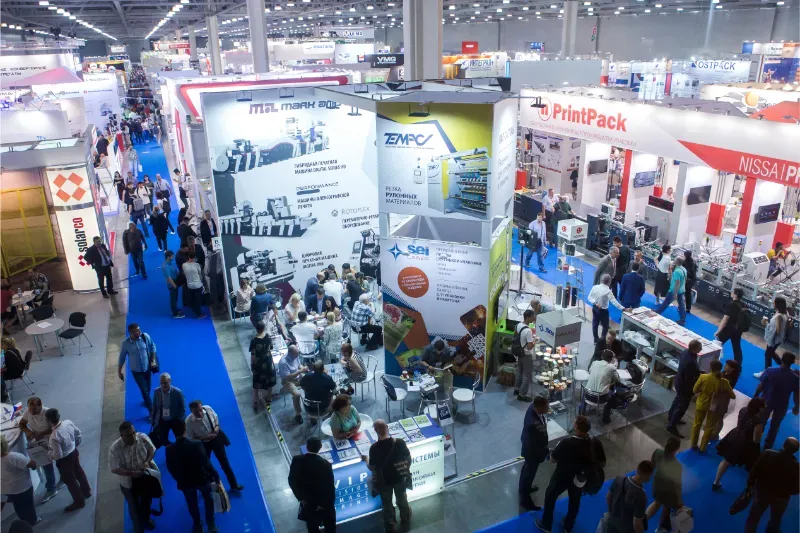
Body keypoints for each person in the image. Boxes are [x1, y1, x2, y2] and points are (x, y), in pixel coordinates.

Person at [536, 415, 606, 533]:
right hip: (580, 479)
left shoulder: (566, 443)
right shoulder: (595, 443)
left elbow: (552, 459)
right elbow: (602, 463)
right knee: (575, 502)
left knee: (550, 496)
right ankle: (568, 525)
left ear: (576, 428)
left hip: (562, 477)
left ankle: (546, 524)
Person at [109, 421, 158, 533]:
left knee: (146, 501)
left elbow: (151, 449)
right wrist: (132, 473)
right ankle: (138, 529)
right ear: (122, 436)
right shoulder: (115, 448)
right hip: (128, 483)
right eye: (129, 435)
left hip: (145, 477)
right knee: (134, 508)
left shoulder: (142, 437)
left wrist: (147, 461)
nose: (133, 436)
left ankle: (146, 519)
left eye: (133, 433)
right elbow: (114, 468)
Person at [185, 400, 243, 492]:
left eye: (200, 410)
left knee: (225, 462)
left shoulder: (208, 409)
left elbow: (216, 419)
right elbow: (191, 438)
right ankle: (211, 486)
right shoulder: (188, 422)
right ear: (191, 411)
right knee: (205, 465)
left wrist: (216, 428)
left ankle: (234, 484)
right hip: (203, 444)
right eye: (196, 412)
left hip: (216, 440)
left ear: (202, 407)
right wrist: (205, 437)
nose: (200, 413)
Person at [744, 437, 799, 533]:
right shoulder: (797, 467)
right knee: (775, 519)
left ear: (784, 445)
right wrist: (786, 492)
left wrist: (751, 485)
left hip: (762, 492)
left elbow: (754, 472)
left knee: (754, 517)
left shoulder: (767, 454)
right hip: (781, 498)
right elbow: (797, 489)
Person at [366, 419, 412, 531]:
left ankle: (390, 523)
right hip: (399, 477)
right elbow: (408, 458)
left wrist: (366, 459)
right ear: (387, 427)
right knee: (402, 498)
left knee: (386, 503)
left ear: (375, 431)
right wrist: (405, 470)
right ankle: (405, 516)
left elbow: (372, 467)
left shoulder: (374, 448)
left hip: (384, 480)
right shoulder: (399, 442)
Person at [712, 397, 765, 491]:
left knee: (726, 461)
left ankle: (716, 482)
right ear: (759, 408)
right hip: (745, 444)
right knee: (753, 465)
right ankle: (751, 486)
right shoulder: (758, 422)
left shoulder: (743, 410)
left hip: (734, 436)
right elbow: (756, 440)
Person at [18, 397, 63, 502]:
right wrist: (28, 431)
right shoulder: (28, 412)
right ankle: (51, 489)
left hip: (53, 440)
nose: (31, 412)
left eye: (34, 409)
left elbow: (56, 426)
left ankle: (64, 478)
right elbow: (22, 424)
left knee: (60, 462)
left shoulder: (48, 413)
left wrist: (41, 433)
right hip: (40, 443)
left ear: (40, 406)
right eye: (29, 409)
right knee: (46, 465)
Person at [46, 408, 91, 512]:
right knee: (79, 472)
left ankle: (79, 501)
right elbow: (78, 434)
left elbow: (58, 455)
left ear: (48, 420)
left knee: (70, 481)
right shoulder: (68, 423)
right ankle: (87, 491)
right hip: (74, 452)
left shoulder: (54, 436)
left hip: (64, 460)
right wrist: (74, 445)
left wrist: (49, 453)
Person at [288, 437, 336, 533]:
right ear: (320, 447)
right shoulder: (326, 464)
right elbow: (330, 487)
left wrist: (301, 498)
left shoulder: (297, 460)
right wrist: (326, 504)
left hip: (308, 503)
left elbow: (292, 480)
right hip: (324, 505)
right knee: (330, 527)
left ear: (307, 447)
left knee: (312, 528)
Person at [754, 351, 799, 449]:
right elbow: (796, 394)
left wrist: (755, 396)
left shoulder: (770, 370)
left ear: (781, 359)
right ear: (793, 362)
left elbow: (761, 386)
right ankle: (768, 446)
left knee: (761, 422)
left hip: (766, 401)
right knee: (775, 426)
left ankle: (755, 443)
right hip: (782, 404)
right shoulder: (795, 378)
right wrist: (797, 406)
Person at [691, 359, 736, 452]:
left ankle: (693, 444)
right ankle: (703, 447)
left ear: (710, 367)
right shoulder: (724, 382)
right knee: (709, 427)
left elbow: (694, 390)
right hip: (714, 407)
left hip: (701, 404)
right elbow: (733, 396)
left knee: (697, 425)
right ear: (720, 369)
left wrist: (703, 390)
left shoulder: (703, 377)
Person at [666, 339, 702, 438]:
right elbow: (690, 377)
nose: (701, 349)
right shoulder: (691, 361)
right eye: (700, 348)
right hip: (685, 387)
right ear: (694, 349)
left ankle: (671, 417)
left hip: (679, 382)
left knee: (677, 401)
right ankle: (672, 426)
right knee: (681, 407)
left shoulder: (686, 352)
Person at [646, 437, 683, 533]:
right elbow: (677, 485)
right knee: (667, 507)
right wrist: (679, 500)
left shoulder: (657, 452)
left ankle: (642, 521)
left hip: (656, 484)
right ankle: (661, 528)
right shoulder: (677, 465)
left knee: (656, 503)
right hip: (668, 490)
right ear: (677, 449)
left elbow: (652, 466)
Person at [605, 460, 653, 533]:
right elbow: (637, 523)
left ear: (637, 469)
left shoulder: (619, 479)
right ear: (648, 476)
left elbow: (608, 497)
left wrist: (611, 515)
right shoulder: (641, 496)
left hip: (612, 525)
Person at [1, 434, 39, 526]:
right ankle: (32, 522)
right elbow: (32, 464)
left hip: (7, 490)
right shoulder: (13, 457)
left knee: (18, 507)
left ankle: (23, 521)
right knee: (28, 506)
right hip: (22, 488)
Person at [119, 323, 157, 412]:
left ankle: (146, 400)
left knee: (148, 388)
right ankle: (151, 411)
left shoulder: (145, 337)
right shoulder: (125, 344)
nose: (139, 332)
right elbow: (122, 358)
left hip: (147, 368)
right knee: (144, 390)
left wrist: (153, 360)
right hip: (136, 371)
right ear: (131, 333)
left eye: (139, 329)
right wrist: (119, 371)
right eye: (136, 331)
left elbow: (152, 346)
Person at [519, 396, 549, 510]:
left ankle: (524, 488)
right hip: (532, 453)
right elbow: (532, 444)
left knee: (526, 471)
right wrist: (545, 451)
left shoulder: (533, 407)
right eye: (546, 407)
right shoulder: (533, 424)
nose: (548, 408)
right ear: (539, 408)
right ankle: (526, 501)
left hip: (532, 451)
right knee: (528, 474)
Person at [585, 349, 625, 424]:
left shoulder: (594, 363)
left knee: (588, 388)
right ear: (611, 359)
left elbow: (590, 372)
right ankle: (606, 418)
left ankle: (581, 411)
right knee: (612, 395)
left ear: (601, 356)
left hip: (587, 395)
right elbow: (617, 379)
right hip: (600, 399)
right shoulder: (612, 368)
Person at [587, 273, 630, 344]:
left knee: (595, 324)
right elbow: (614, 302)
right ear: (609, 282)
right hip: (603, 311)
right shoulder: (608, 291)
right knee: (605, 326)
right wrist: (623, 308)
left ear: (601, 280)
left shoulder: (595, 287)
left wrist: (595, 303)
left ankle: (596, 340)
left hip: (595, 308)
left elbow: (589, 297)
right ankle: (602, 340)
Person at [708, 359, 742, 441]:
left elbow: (723, 388)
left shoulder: (730, 379)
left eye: (727, 365)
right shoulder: (723, 373)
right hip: (716, 398)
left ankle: (715, 434)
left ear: (732, 369)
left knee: (719, 417)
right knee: (713, 415)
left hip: (723, 400)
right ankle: (711, 430)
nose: (725, 366)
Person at [756, 297, 788, 379]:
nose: (773, 303)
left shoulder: (779, 316)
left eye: (774, 302)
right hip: (777, 340)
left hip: (774, 340)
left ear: (777, 304)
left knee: (768, 355)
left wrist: (767, 324)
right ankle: (784, 366)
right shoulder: (784, 313)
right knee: (771, 353)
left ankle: (767, 373)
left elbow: (778, 330)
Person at [151, 373, 187, 447]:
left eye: (165, 382)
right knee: (163, 440)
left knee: (180, 439)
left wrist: (180, 419)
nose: (163, 385)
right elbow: (154, 406)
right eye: (161, 383)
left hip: (175, 419)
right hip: (162, 420)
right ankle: (171, 449)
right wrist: (153, 420)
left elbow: (182, 407)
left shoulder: (178, 392)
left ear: (170, 381)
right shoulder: (157, 391)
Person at [250, 321, 277, 411]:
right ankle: (268, 400)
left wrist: (252, 365)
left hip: (258, 363)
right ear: (264, 328)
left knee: (256, 383)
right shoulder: (268, 337)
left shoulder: (254, 341)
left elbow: (253, 355)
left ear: (256, 329)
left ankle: (255, 402)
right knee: (270, 381)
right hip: (268, 362)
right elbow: (271, 348)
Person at [714, 287, 745, 365]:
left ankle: (713, 361)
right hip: (738, 329)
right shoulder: (744, 305)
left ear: (735, 295)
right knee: (737, 347)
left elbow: (725, 319)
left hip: (728, 329)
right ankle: (738, 365)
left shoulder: (731, 305)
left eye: (732, 292)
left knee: (717, 344)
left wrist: (718, 331)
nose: (731, 292)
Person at [653, 256, 687, 325]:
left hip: (673, 290)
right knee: (681, 305)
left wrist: (675, 293)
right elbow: (684, 279)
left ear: (676, 262)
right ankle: (683, 320)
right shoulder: (684, 269)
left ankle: (658, 312)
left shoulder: (677, 271)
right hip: (682, 290)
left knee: (666, 302)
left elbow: (677, 283)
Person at [279, 345, 307, 424]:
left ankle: (310, 405)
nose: (298, 355)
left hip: (297, 377)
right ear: (290, 353)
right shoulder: (283, 362)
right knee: (297, 394)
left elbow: (299, 366)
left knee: (311, 381)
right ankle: (298, 415)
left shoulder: (296, 356)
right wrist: (300, 371)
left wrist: (304, 368)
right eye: (296, 354)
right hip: (287, 381)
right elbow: (288, 377)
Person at [513, 310, 536, 402]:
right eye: (532, 316)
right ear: (528, 317)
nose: (534, 318)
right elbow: (530, 347)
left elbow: (515, 337)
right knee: (527, 375)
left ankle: (517, 389)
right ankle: (522, 395)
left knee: (519, 372)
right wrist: (534, 341)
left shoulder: (518, 325)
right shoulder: (528, 331)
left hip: (519, 353)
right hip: (526, 355)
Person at [182, 252, 206, 319]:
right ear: (195, 257)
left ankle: (195, 311)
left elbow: (185, 274)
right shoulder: (197, 265)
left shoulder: (184, 265)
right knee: (198, 300)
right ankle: (199, 314)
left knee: (192, 299)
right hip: (197, 285)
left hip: (189, 285)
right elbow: (200, 275)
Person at [162, 250, 185, 319]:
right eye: (172, 256)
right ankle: (175, 314)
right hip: (172, 285)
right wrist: (174, 286)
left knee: (175, 298)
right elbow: (168, 278)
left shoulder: (169, 263)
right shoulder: (165, 266)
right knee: (173, 300)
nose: (173, 257)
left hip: (175, 282)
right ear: (168, 257)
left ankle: (175, 309)